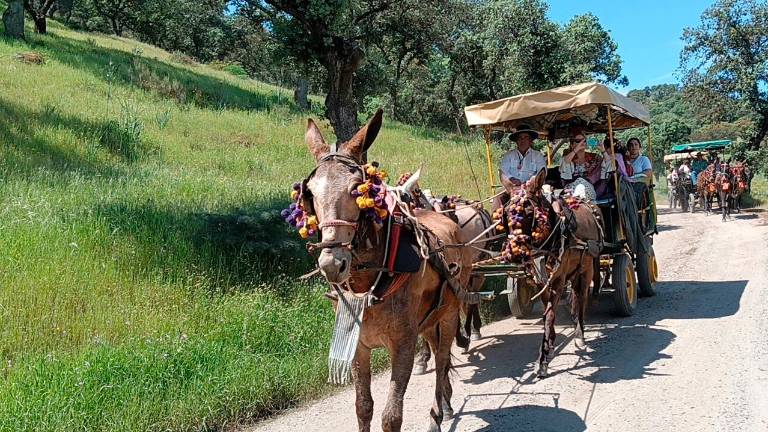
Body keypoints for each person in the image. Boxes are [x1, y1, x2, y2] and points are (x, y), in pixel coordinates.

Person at [494, 124, 546, 208]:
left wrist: (532, 181)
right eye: (520, 138)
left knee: (547, 201)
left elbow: (542, 172)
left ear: (530, 140)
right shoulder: (508, 155)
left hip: (532, 189)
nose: (523, 140)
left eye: (526, 137)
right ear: (516, 141)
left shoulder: (538, 156)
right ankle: (495, 220)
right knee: (498, 197)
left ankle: (554, 218)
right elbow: (502, 172)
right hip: (511, 188)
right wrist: (511, 179)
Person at [559, 130, 614, 200]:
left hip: (589, 189)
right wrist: (576, 149)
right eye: (578, 141)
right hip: (572, 189)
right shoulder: (569, 159)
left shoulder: (594, 157)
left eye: (584, 140)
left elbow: (609, 165)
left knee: (582, 186)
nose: (582, 143)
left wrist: (603, 150)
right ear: (572, 145)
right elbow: (565, 162)